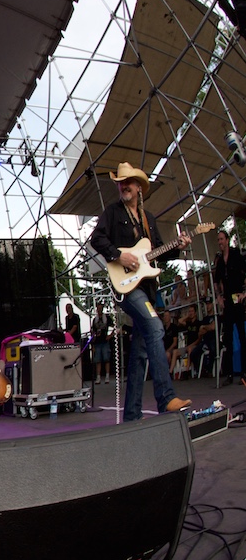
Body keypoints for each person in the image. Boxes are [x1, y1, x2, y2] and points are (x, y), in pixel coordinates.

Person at [89, 161, 191, 420]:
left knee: (140, 350)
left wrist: (179, 246)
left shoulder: (149, 219)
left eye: (127, 182)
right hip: (126, 287)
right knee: (156, 327)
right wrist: (118, 256)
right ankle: (166, 398)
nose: (123, 186)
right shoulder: (112, 212)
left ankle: (132, 415)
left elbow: (157, 252)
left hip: (146, 286)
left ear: (138, 187)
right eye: (120, 182)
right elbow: (97, 238)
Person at [213, 229, 246, 383]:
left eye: (221, 239)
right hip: (227, 301)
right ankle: (230, 373)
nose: (220, 242)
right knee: (228, 337)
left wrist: (244, 293)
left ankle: (244, 372)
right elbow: (215, 281)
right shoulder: (220, 261)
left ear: (227, 240)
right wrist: (219, 297)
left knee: (241, 334)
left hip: (237, 298)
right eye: (218, 240)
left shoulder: (236, 256)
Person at [90, 301, 111, 383]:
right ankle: (98, 377)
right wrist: (93, 342)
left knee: (106, 359)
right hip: (97, 342)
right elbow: (92, 331)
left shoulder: (107, 318)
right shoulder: (95, 320)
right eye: (98, 308)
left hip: (105, 341)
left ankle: (107, 376)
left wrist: (110, 335)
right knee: (97, 360)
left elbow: (114, 326)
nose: (99, 310)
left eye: (100, 308)